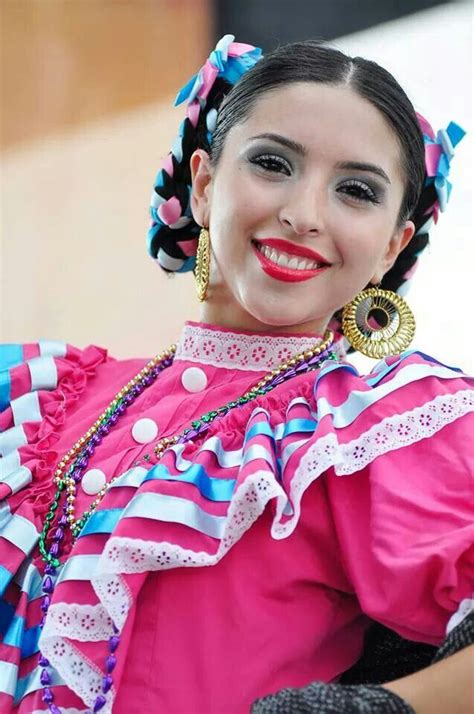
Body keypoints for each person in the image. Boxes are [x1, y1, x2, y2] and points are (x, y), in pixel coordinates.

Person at [0, 34, 472, 714]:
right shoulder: (38, 398)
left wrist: (375, 710)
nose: (303, 214)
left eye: (357, 191)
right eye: (273, 163)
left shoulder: (381, 429)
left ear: (392, 247)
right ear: (203, 183)